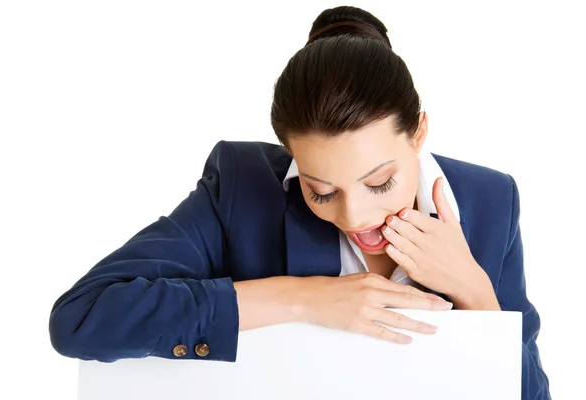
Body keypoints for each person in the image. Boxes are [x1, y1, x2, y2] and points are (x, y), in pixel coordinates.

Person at [49, 5, 550, 399]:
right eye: (321, 191)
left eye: (380, 183)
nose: (354, 215)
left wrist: (477, 295)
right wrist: (302, 298)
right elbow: (82, 318)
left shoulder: (490, 202)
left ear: (418, 132)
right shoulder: (242, 188)